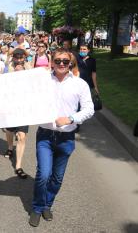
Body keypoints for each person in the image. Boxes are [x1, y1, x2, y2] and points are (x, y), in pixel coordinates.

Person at [29, 48, 94, 227]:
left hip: (66, 137)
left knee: (57, 178)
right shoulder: (42, 81)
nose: (62, 64)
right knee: (43, 174)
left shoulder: (80, 84)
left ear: (70, 62)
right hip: (45, 135)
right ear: (52, 61)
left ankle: (47, 204)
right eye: (58, 61)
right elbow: (25, 96)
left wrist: (72, 118)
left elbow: (89, 109)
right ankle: (36, 208)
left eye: (65, 61)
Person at [4, 48, 32, 178]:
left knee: (22, 136)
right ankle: (10, 148)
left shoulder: (29, 68)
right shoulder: (7, 68)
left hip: (24, 107)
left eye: (21, 58)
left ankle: (18, 166)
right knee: (9, 131)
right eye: (17, 58)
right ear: (13, 58)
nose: (19, 60)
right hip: (10, 105)